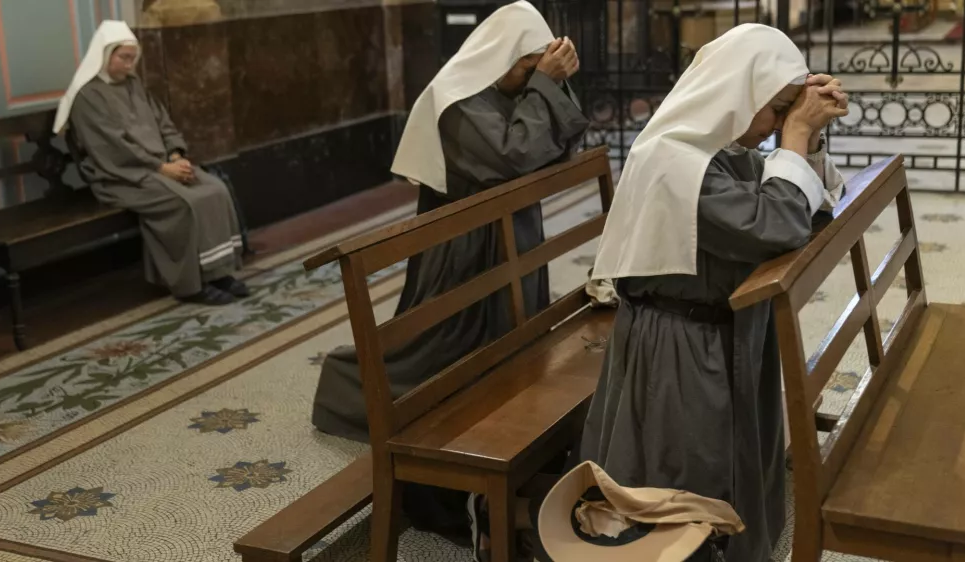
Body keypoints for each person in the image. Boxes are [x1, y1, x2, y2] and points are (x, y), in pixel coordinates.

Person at [310, 0, 589, 544]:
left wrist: (555, 85)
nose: (533, 78)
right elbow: (513, 155)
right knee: (448, 345)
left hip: (513, 235)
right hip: (465, 248)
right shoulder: (456, 100)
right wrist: (545, 88)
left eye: (540, 70)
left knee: (511, 335)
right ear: (503, 56)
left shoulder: (511, 90)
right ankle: (351, 388)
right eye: (529, 68)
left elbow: (555, 145)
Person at [577, 24, 848, 562]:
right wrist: (794, 141)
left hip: (721, 328)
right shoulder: (675, 160)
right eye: (774, 109)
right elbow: (776, 223)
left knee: (731, 456)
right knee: (686, 471)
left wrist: (807, 140)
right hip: (680, 346)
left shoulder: (718, 149)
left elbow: (798, 204)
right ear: (737, 95)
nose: (775, 125)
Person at [54, 20, 247, 306]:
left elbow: (163, 122)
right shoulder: (88, 96)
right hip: (121, 177)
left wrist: (175, 155)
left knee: (216, 189)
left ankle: (218, 272)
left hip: (159, 166)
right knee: (186, 204)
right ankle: (190, 284)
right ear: (105, 55)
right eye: (124, 58)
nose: (130, 65)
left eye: (133, 58)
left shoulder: (134, 85)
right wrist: (160, 168)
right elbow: (113, 146)